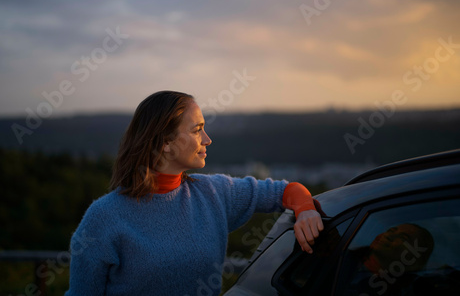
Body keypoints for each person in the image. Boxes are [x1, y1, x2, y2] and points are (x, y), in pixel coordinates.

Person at [65, 90, 323, 295]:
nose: (207, 139)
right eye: (197, 130)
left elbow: (287, 191)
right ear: (165, 144)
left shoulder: (214, 193)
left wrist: (306, 209)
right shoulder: (104, 217)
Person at [345, 223, 434, 295]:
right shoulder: (343, 264)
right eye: (390, 230)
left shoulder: (416, 289)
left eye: (403, 238)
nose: (388, 236)